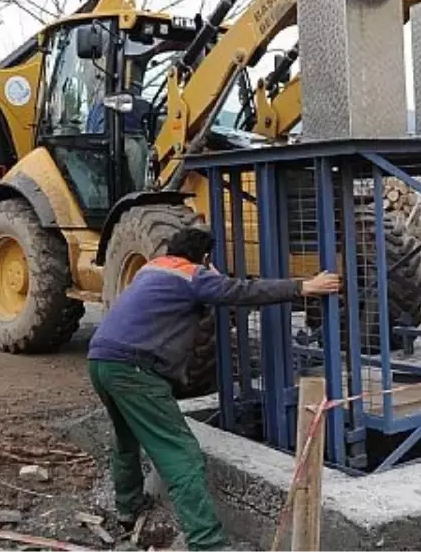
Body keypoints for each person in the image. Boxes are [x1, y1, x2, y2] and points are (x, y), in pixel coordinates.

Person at [88, 227, 340, 552]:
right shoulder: (193, 277)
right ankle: (207, 543)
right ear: (205, 257)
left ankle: (129, 507)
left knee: (125, 438)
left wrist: (206, 275)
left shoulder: (153, 269)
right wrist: (304, 286)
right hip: (135, 370)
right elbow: (243, 291)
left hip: (100, 360)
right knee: (182, 455)